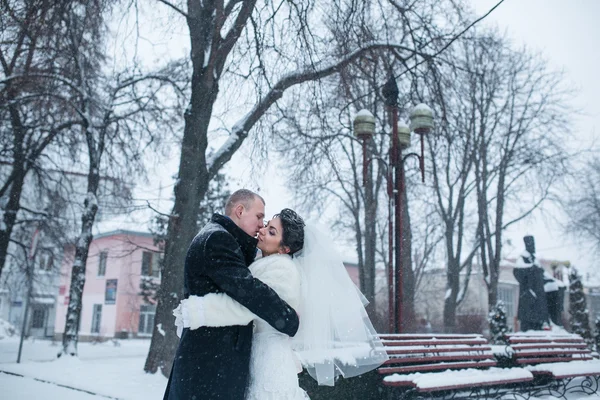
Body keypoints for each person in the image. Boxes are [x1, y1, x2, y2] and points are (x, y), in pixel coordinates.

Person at [174, 208, 388, 399]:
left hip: (269, 359)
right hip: (257, 353)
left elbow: (249, 308)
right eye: (267, 225)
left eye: (272, 231)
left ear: (285, 248)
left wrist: (198, 311)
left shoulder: (281, 270)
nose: (263, 230)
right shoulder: (265, 263)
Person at [163, 190, 300, 400]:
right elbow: (248, 291)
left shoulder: (222, 238)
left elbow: (246, 294)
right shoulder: (218, 239)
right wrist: (288, 318)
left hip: (213, 362)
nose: (261, 225)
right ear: (239, 210)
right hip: (209, 364)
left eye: (268, 226)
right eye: (259, 217)